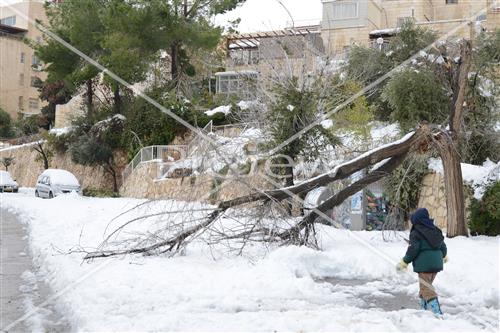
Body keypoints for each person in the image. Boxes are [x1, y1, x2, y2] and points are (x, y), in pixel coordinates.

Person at [396, 208, 448, 315]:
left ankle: (437, 313)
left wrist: (405, 261)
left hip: (425, 265)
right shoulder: (435, 230)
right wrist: (444, 255)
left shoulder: (416, 232)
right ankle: (423, 310)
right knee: (425, 286)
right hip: (436, 264)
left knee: (427, 289)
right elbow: (442, 245)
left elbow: (413, 249)